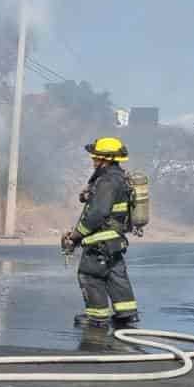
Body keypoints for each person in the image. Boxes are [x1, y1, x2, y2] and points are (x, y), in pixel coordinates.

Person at [61, 136, 139, 328]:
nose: (93, 161)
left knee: (90, 275)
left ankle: (97, 317)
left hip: (100, 240)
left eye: (96, 157)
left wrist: (77, 235)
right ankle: (126, 313)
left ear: (106, 159)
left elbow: (98, 213)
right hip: (114, 239)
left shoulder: (107, 182)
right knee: (115, 274)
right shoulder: (119, 178)